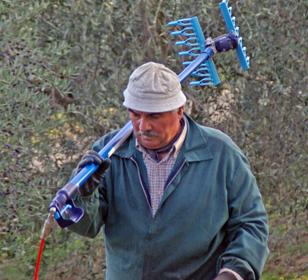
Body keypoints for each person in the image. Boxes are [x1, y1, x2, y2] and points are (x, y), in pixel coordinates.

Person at [54, 62, 269, 279]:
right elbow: (84, 228)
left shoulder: (220, 153)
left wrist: (232, 273)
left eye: (153, 116)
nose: (143, 126)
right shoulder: (108, 154)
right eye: (135, 114)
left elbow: (251, 224)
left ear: (179, 110)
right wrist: (83, 196)